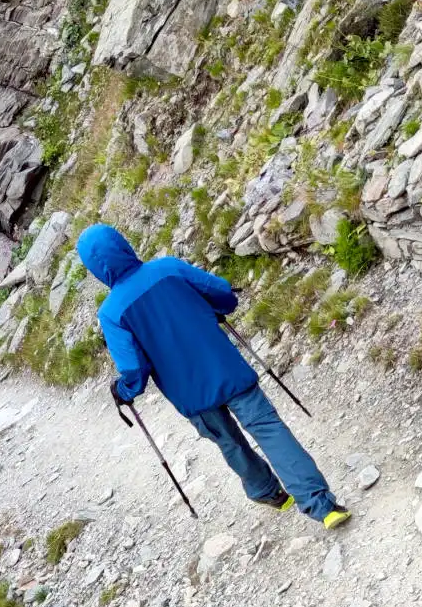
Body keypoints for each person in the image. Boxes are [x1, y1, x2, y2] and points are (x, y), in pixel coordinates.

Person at [76, 222, 350, 529]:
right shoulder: (167, 268)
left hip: (189, 393)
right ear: (123, 244)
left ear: (94, 268)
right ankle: (322, 506)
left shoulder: (112, 314)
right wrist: (218, 307)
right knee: (268, 428)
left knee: (229, 441)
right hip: (225, 367)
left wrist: (124, 392)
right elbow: (220, 292)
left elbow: (134, 370)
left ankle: (267, 492)